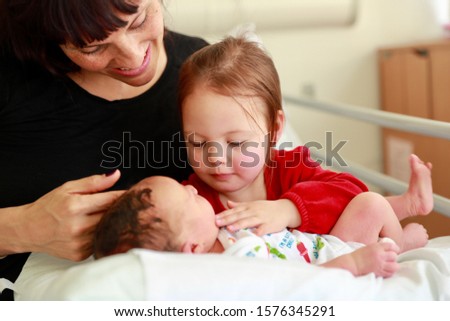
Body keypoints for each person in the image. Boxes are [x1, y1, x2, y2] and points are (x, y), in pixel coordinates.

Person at [0, 0, 207, 300]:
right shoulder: (10, 74)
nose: (133, 57)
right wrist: (21, 228)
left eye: (138, 21)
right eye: (92, 48)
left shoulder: (206, 73)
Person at [178, 36, 433, 246]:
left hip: (335, 261)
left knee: (369, 204)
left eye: (235, 144)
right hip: (296, 280)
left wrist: (288, 209)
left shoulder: (289, 167)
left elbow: (351, 190)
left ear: (274, 129)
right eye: (198, 143)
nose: (216, 158)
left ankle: (398, 243)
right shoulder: (194, 200)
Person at [93, 173, 429, 277]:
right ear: (192, 249)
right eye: (187, 197)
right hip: (337, 262)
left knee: (369, 203)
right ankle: (400, 246)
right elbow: (301, 287)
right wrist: (355, 262)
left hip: (328, 242)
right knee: (373, 204)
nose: (193, 188)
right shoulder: (238, 267)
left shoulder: (221, 227)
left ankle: (401, 219)